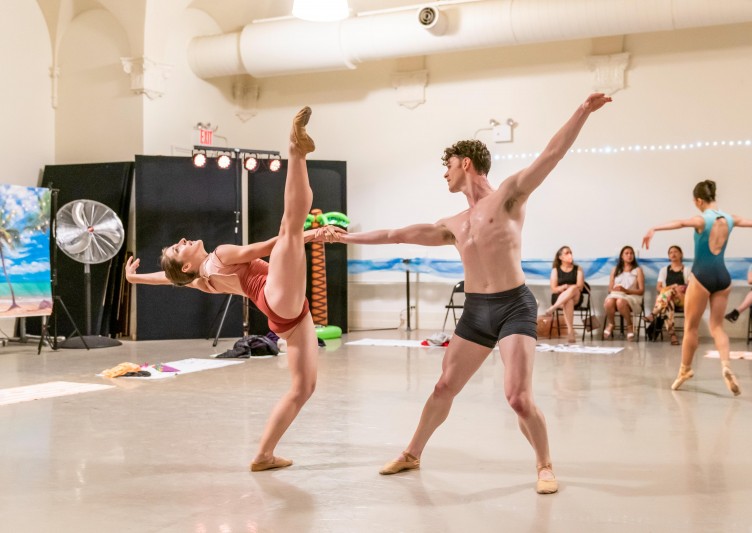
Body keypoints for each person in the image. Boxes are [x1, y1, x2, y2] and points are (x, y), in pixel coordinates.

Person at [340, 93, 612, 494]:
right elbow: (396, 234)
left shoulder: (509, 195)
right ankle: (413, 453)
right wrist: (343, 235)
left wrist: (582, 111)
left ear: (465, 163)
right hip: (476, 311)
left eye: (447, 167)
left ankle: (545, 465)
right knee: (443, 387)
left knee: (517, 397)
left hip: (514, 307)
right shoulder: (453, 222)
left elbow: (552, 155)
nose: (444, 175)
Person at [125, 107, 344, 471]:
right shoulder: (220, 257)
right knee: (291, 225)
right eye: (179, 248)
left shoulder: (204, 279)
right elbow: (270, 245)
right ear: (187, 263)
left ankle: (263, 455)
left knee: (303, 388)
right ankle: (295, 149)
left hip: (286, 315)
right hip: (278, 298)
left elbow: (171, 280)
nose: (182, 240)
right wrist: (311, 234)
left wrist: (136, 279)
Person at [642, 179, 752, 396]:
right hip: (722, 277)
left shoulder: (701, 220)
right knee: (717, 326)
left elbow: (680, 223)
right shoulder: (730, 219)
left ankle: (685, 370)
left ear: (699, 200)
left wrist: (654, 228)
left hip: (702, 276)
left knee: (691, 327)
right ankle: (726, 365)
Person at [644, 245, 691, 345]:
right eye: (670, 252)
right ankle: (672, 335)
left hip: (682, 299)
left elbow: (691, 287)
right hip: (667, 300)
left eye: (675, 252)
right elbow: (658, 287)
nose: (673, 254)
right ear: (669, 256)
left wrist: (680, 288)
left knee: (666, 296)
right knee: (668, 304)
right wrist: (672, 287)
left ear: (681, 254)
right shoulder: (664, 270)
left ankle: (653, 314)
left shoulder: (686, 270)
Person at [542, 245, 585, 343]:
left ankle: (553, 308)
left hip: (576, 296)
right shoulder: (555, 270)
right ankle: (570, 332)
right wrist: (563, 287)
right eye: (567, 253)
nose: (570, 255)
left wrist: (568, 287)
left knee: (574, 288)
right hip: (559, 297)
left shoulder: (578, 269)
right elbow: (554, 288)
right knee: (568, 301)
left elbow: (580, 286)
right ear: (560, 257)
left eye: (571, 253)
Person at [602, 245, 645, 340]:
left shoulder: (638, 270)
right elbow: (610, 289)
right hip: (616, 294)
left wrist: (625, 291)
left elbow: (641, 291)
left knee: (620, 301)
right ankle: (611, 323)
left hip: (632, 296)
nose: (629, 255)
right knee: (609, 301)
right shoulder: (615, 269)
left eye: (631, 253)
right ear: (622, 256)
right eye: (627, 253)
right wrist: (616, 289)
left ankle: (629, 325)